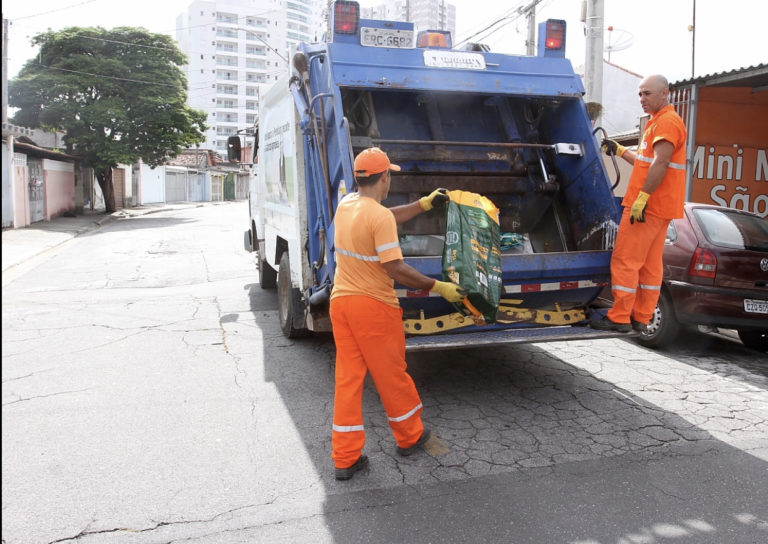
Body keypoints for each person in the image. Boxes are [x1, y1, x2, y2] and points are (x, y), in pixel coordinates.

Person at [330, 147, 466, 481]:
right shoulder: (379, 217)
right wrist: (440, 287)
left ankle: (345, 458)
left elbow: (386, 217)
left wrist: (422, 205)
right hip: (373, 308)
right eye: (390, 174)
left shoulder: (347, 204)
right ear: (385, 177)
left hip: (341, 304)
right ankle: (409, 437)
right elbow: (395, 267)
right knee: (392, 374)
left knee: (348, 380)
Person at [592, 74, 687, 333]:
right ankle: (641, 316)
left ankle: (619, 316)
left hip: (648, 207)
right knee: (649, 265)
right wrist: (621, 151)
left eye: (647, 93)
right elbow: (647, 163)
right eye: (640, 94)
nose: (642, 99)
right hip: (660, 208)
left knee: (626, 260)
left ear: (665, 93)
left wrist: (642, 198)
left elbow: (661, 163)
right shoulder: (659, 122)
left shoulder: (667, 122)